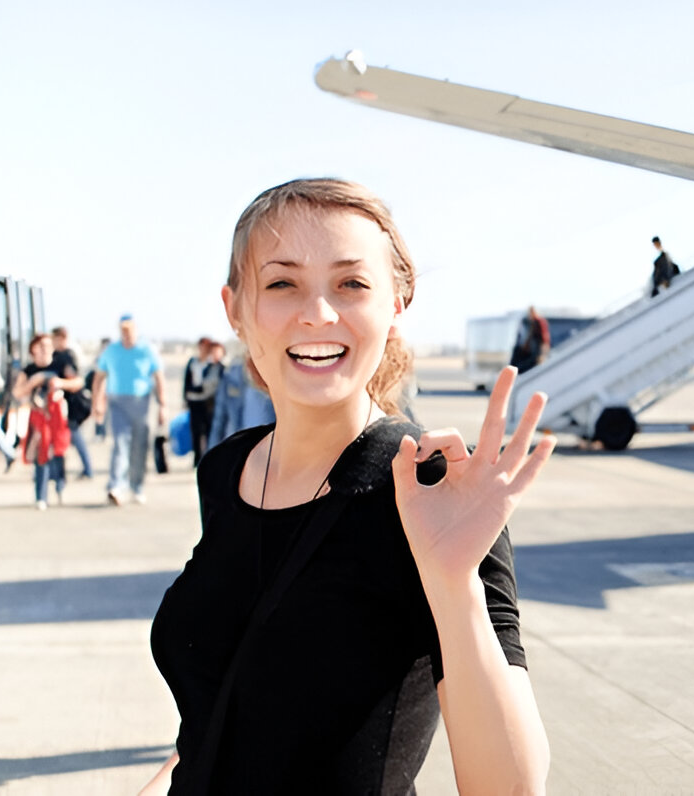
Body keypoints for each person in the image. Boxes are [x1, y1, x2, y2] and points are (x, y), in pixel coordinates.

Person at [143, 178, 553, 795]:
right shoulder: (227, 470)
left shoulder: (432, 490)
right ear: (236, 309)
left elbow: (511, 789)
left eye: (351, 284)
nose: (318, 313)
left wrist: (453, 582)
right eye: (282, 283)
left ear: (395, 305)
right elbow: (224, 721)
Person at [91, 314, 166, 505]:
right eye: (123, 332)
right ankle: (116, 485)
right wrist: (97, 403)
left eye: (129, 332)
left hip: (141, 402)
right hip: (117, 402)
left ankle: (137, 485)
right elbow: (99, 377)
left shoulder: (147, 350)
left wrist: (162, 406)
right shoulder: (111, 350)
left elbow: (158, 377)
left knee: (139, 445)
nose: (127, 336)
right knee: (120, 442)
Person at [12, 334, 82, 510]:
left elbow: (78, 382)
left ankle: (60, 485)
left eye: (47, 345)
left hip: (58, 417)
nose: (44, 349)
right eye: (40, 346)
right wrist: (32, 383)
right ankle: (41, 496)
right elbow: (17, 393)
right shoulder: (28, 370)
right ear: (33, 350)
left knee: (58, 453)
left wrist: (60, 383)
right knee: (41, 456)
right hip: (38, 417)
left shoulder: (60, 364)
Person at [50, 327, 94, 479]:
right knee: (71, 438)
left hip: (71, 404)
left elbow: (76, 381)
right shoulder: (57, 355)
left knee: (75, 437)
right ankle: (85, 469)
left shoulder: (67, 356)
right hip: (63, 404)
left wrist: (59, 383)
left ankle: (88, 469)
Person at [207, 352, 275, 448]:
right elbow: (219, 421)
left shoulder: (282, 377)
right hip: (236, 451)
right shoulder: (232, 375)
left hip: (269, 453)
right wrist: (211, 458)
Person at [183, 337, 218, 466]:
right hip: (193, 401)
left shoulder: (212, 365)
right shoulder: (193, 362)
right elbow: (186, 380)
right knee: (195, 431)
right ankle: (197, 458)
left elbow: (210, 385)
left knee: (208, 429)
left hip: (207, 403)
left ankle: (207, 457)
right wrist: (185, 397)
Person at [509, 305, 550, 373]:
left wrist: (542, 355)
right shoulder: (533, 323)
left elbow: (544, 339)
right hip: (533, 351)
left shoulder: (539, 322)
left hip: (537, 352)